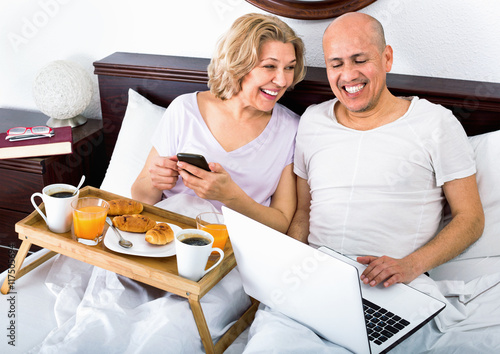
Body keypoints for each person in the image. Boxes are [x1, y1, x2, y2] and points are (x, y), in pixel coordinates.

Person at [243, 12, 485, 353]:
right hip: (316, 282)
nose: (348, 75)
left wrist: (410, 265)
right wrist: (287, 274)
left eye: (360, 60)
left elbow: (471, 218)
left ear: (386, 58)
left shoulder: (436, 124)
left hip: (399, 287)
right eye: (336, 63)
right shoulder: (313, 121)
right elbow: (302, 213)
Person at [132, 13, 305, 234]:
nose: (282, 81)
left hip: (235, 252)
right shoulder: (185, 110)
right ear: (238, 64)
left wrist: (231, 196)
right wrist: (155, 180)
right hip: (167, 241)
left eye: (289, 67)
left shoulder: (290, 129)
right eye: (270, 66)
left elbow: (281, 223)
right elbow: (139, 197)